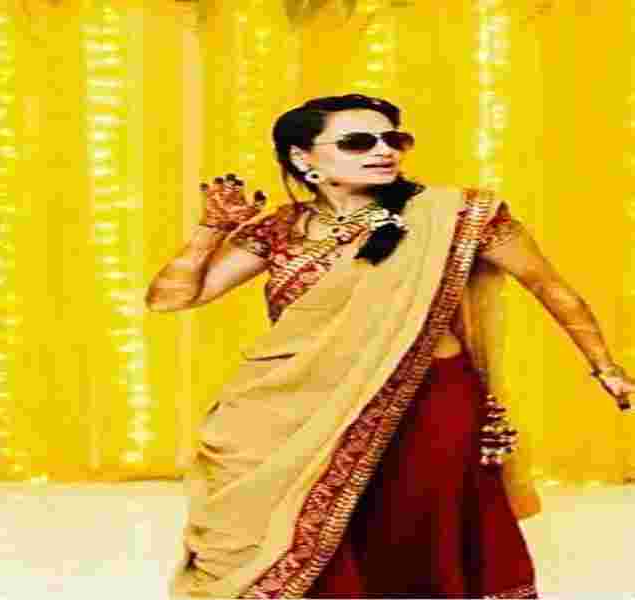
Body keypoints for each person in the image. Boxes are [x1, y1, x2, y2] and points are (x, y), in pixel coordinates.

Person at [148, 94, 634, 598]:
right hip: (299, 404)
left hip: (426, 398)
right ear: (302, 157)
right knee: (293, 528)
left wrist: (606, 367)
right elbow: (171, 299)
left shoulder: (456, 214)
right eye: (359, 142)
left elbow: (549, 286)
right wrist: (209, 232)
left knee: (415, 527)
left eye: (393, 139)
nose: (384, 151)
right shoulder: (279, 230)